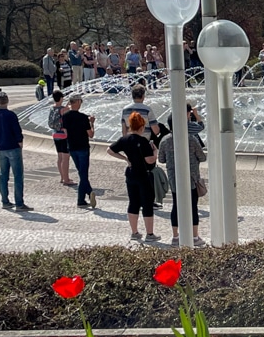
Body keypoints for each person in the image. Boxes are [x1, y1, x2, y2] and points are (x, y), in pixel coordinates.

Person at [108, 112, 160, 242]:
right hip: (143, 174)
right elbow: (149, 160)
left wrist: (125, 158)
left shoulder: (124, 139)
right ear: (142, 127)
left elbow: (109, 150)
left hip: (131, 173)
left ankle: (135, 232)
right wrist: (155, 152)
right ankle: (150, 234)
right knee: (147, 203)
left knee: (133, 202)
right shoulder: (143, 141)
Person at [158, 113, 207, 247]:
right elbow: (202, 157)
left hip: (174, 179)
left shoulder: (165, 140)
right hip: (191, 178)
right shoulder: (191, 139)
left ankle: (175, 236)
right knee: (193, 206)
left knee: (176, 206)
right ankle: (194, 236)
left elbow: (161, 159)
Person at [0, 92, 31, 211]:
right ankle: (19, 203)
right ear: (7, 101)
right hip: (13, 147)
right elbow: (17, 131)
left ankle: (5, 201)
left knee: (3, 175)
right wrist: (20, 142)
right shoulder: (11, 115)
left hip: (0, 148)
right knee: (18, 176)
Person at [61, 94, 97, 208]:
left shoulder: (65, 116)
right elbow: (91, 135)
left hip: (72, 148)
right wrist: (92, 123)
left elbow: (65, 133)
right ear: (76, 102)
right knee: (83, 174)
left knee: (81, 173)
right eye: (80, 101)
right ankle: (82, 198)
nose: (81, 103)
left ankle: (86, 194)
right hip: (83, 147)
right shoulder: (83, 118)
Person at [47, 90, 75, 185]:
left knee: (60, 157)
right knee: (66, 157)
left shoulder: (52, 108)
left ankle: (62, 177)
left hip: (55, 134)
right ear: (61, 98)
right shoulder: (64, 109)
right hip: (64, 135)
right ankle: (66, 180)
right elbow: (69, 111)